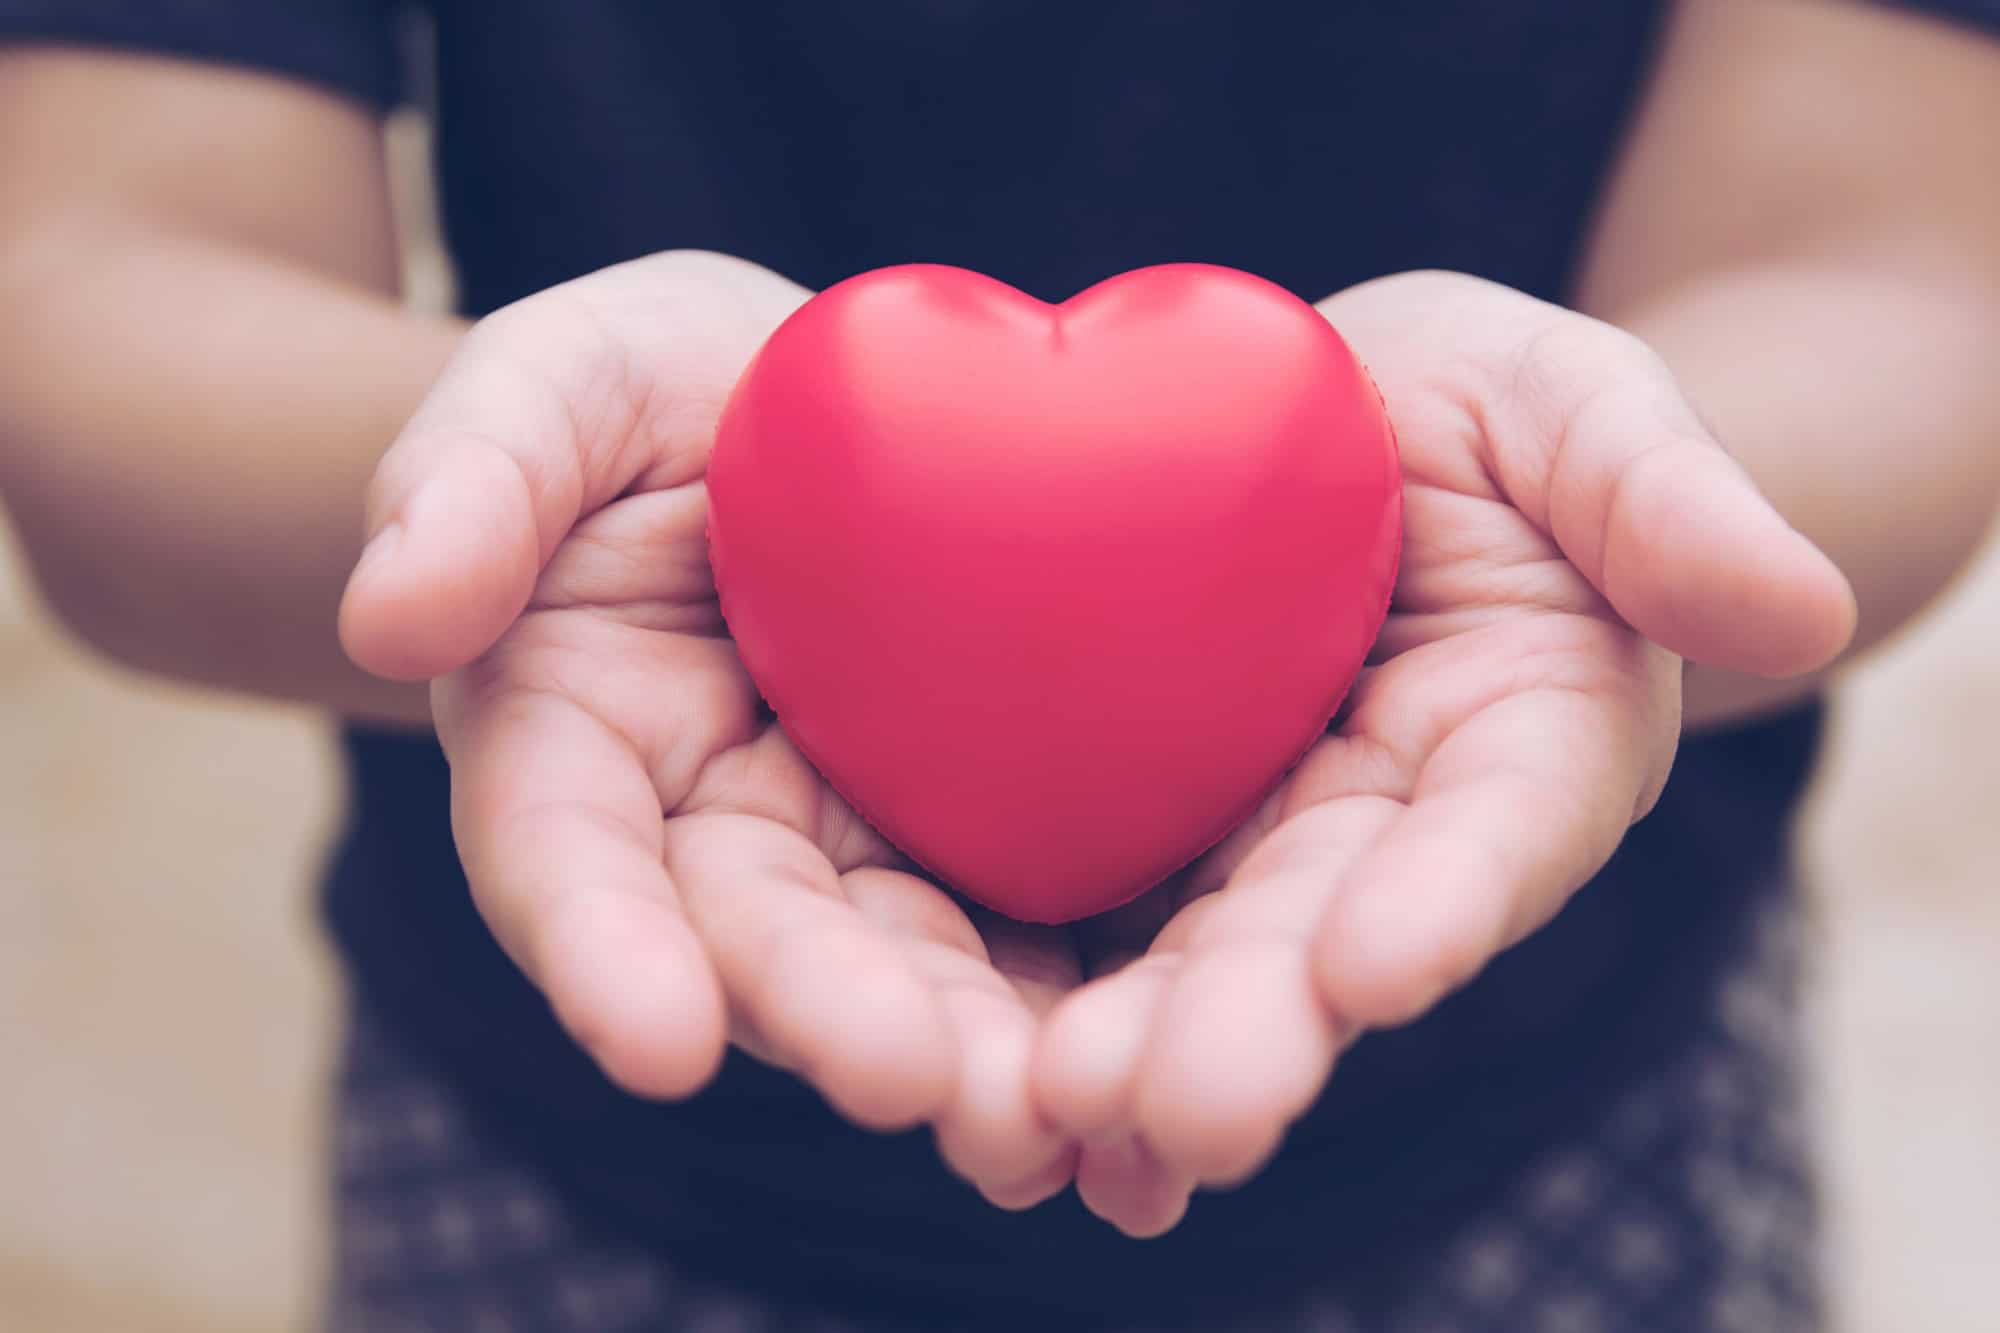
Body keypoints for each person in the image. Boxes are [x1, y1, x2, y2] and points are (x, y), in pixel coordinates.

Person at [2, 1, 1997, 1329]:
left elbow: (1889, 264)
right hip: (576, 1121)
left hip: (1556, 1106)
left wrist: (1612, 512)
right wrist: (519, 498)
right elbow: (109, 273)